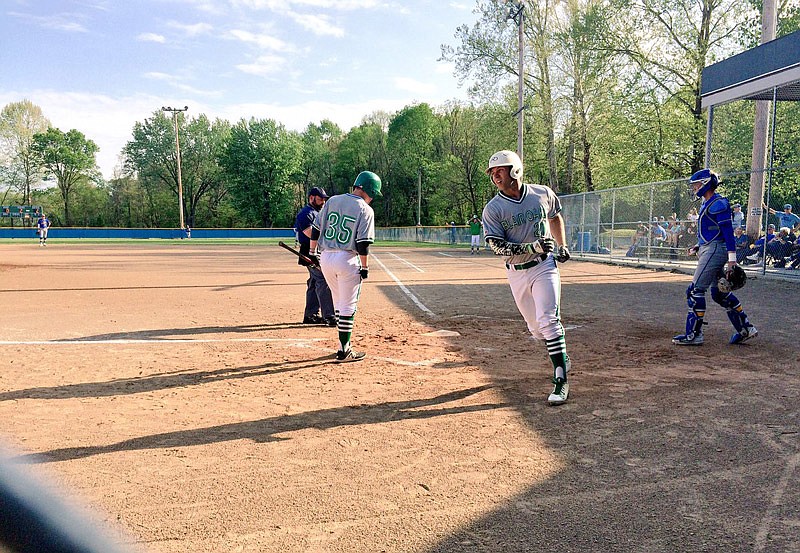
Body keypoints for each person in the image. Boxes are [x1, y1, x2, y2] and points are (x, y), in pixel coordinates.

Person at [482, 150, 572, 405]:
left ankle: (560, 380)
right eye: (493, 173)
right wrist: (531, 247)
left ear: (516, 170)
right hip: (517, 273)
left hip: (544, 266)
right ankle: (560, 357)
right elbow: (497, 246)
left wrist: (561, 245)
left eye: (501, 170)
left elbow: (555, 216)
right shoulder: (494, 209)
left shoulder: (542, 193)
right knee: (536, 329)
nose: (496, 176)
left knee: (548, 320)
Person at [673, 169, 757, 346]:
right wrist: (699, 245)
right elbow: (712, 231)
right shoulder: (708, 203)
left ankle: (694, 335)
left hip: (715, 250)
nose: (694, 188)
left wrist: (732, 260)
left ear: (705, 184)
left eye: (696, 184)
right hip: (709, 248)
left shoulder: (718, 203)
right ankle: (745, 328)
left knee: (695, 290)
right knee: (719, 293)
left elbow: (727, 233)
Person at [310, 171, 381, 362]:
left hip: (326, 258)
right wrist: (365, 267)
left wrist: (312, 252)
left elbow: (316, 228)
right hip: (347, 258)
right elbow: (363, 243)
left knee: (339, 302)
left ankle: (344, 345)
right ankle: (344, 350)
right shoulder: (365, 209)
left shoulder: (332, 200)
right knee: (348, 306)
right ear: (371, 190)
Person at [295, 187, 336, 327]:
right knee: (323, 281)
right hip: (310, 251)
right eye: (320, 198)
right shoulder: (305, 214)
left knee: (314, 282)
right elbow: (311, 234)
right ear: (312, 198)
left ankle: (311, 315)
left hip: (319, 250)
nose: (323, 201)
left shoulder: (319, 212)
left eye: (324, 198)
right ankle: (329, 316)